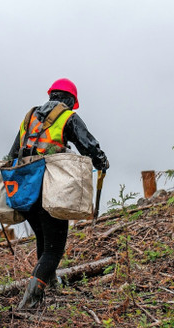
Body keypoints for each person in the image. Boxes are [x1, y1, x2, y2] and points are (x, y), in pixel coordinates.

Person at [7, 78, 109, 309]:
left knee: (44, 240)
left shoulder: (29, 117)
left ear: (51, 94)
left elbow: (13, 152)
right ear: (71, 100)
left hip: (24, 188)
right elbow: (88, 146)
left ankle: (50, 286)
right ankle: (29, 302)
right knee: (54, 249)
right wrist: (102, 161)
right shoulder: (67, 117)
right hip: (51, 188)